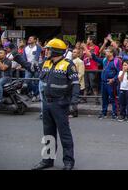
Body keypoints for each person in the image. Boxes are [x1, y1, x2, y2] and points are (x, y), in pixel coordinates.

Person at [32, 39, 79, 170]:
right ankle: (47, 160)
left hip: (61, 104)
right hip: (46, 103)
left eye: (48, 49)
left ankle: (68, 162)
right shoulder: (46, 63)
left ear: (56, 51)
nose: (46, 51)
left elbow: (76, 84)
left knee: (64, 134)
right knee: (48, 133)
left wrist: (73, 103)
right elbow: (32, 68)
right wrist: (18, 57)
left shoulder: (68, 65)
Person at [87, 46, 121, 120]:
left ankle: (114, 113)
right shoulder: (105, 60)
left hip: (111, 83)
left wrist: (113, 79)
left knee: (113, 98)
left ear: (112, 53)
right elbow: (96, 59)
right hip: (103, 82)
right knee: (104, 98)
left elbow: (119, 72)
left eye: (107, 51)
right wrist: (92, 53)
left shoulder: (116, 61)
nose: (106, 52)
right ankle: (104, 112)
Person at [22, 36, 42, 102]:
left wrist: (33, 63)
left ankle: (36, 95)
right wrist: (24, 65)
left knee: (36, 82)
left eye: (31, 39)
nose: (29, 39)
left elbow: (36, 57)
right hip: (28, 67)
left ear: (35, 40)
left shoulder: (38, 47)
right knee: (27, 81)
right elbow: (24, 58)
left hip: (37, 67)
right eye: (29, 38)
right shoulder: (25, 48)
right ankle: (33, 94)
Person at [82, 36, 100, 102]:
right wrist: (83, 48)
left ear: (91, 40)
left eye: (88, 39)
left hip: (93, 68)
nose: (87, 40)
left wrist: (84, 48)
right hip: (85, 68)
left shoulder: (96, 47)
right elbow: (81, 55)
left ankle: (96, 99)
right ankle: (84, 98)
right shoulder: (85, 47)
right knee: (86, 84)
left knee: (93, 84)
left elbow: (91, 56)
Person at [70, 48, 85, 115]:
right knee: (70, 97)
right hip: (70, 82)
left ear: (78, 54)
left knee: (74, 98)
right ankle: (71, 111)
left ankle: (75, 112)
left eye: (75, 52)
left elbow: (81, 73)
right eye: (73, 52)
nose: (73, 53)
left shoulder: (80, 61)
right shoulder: (70, 61)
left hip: (76, 82)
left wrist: (75, 80)